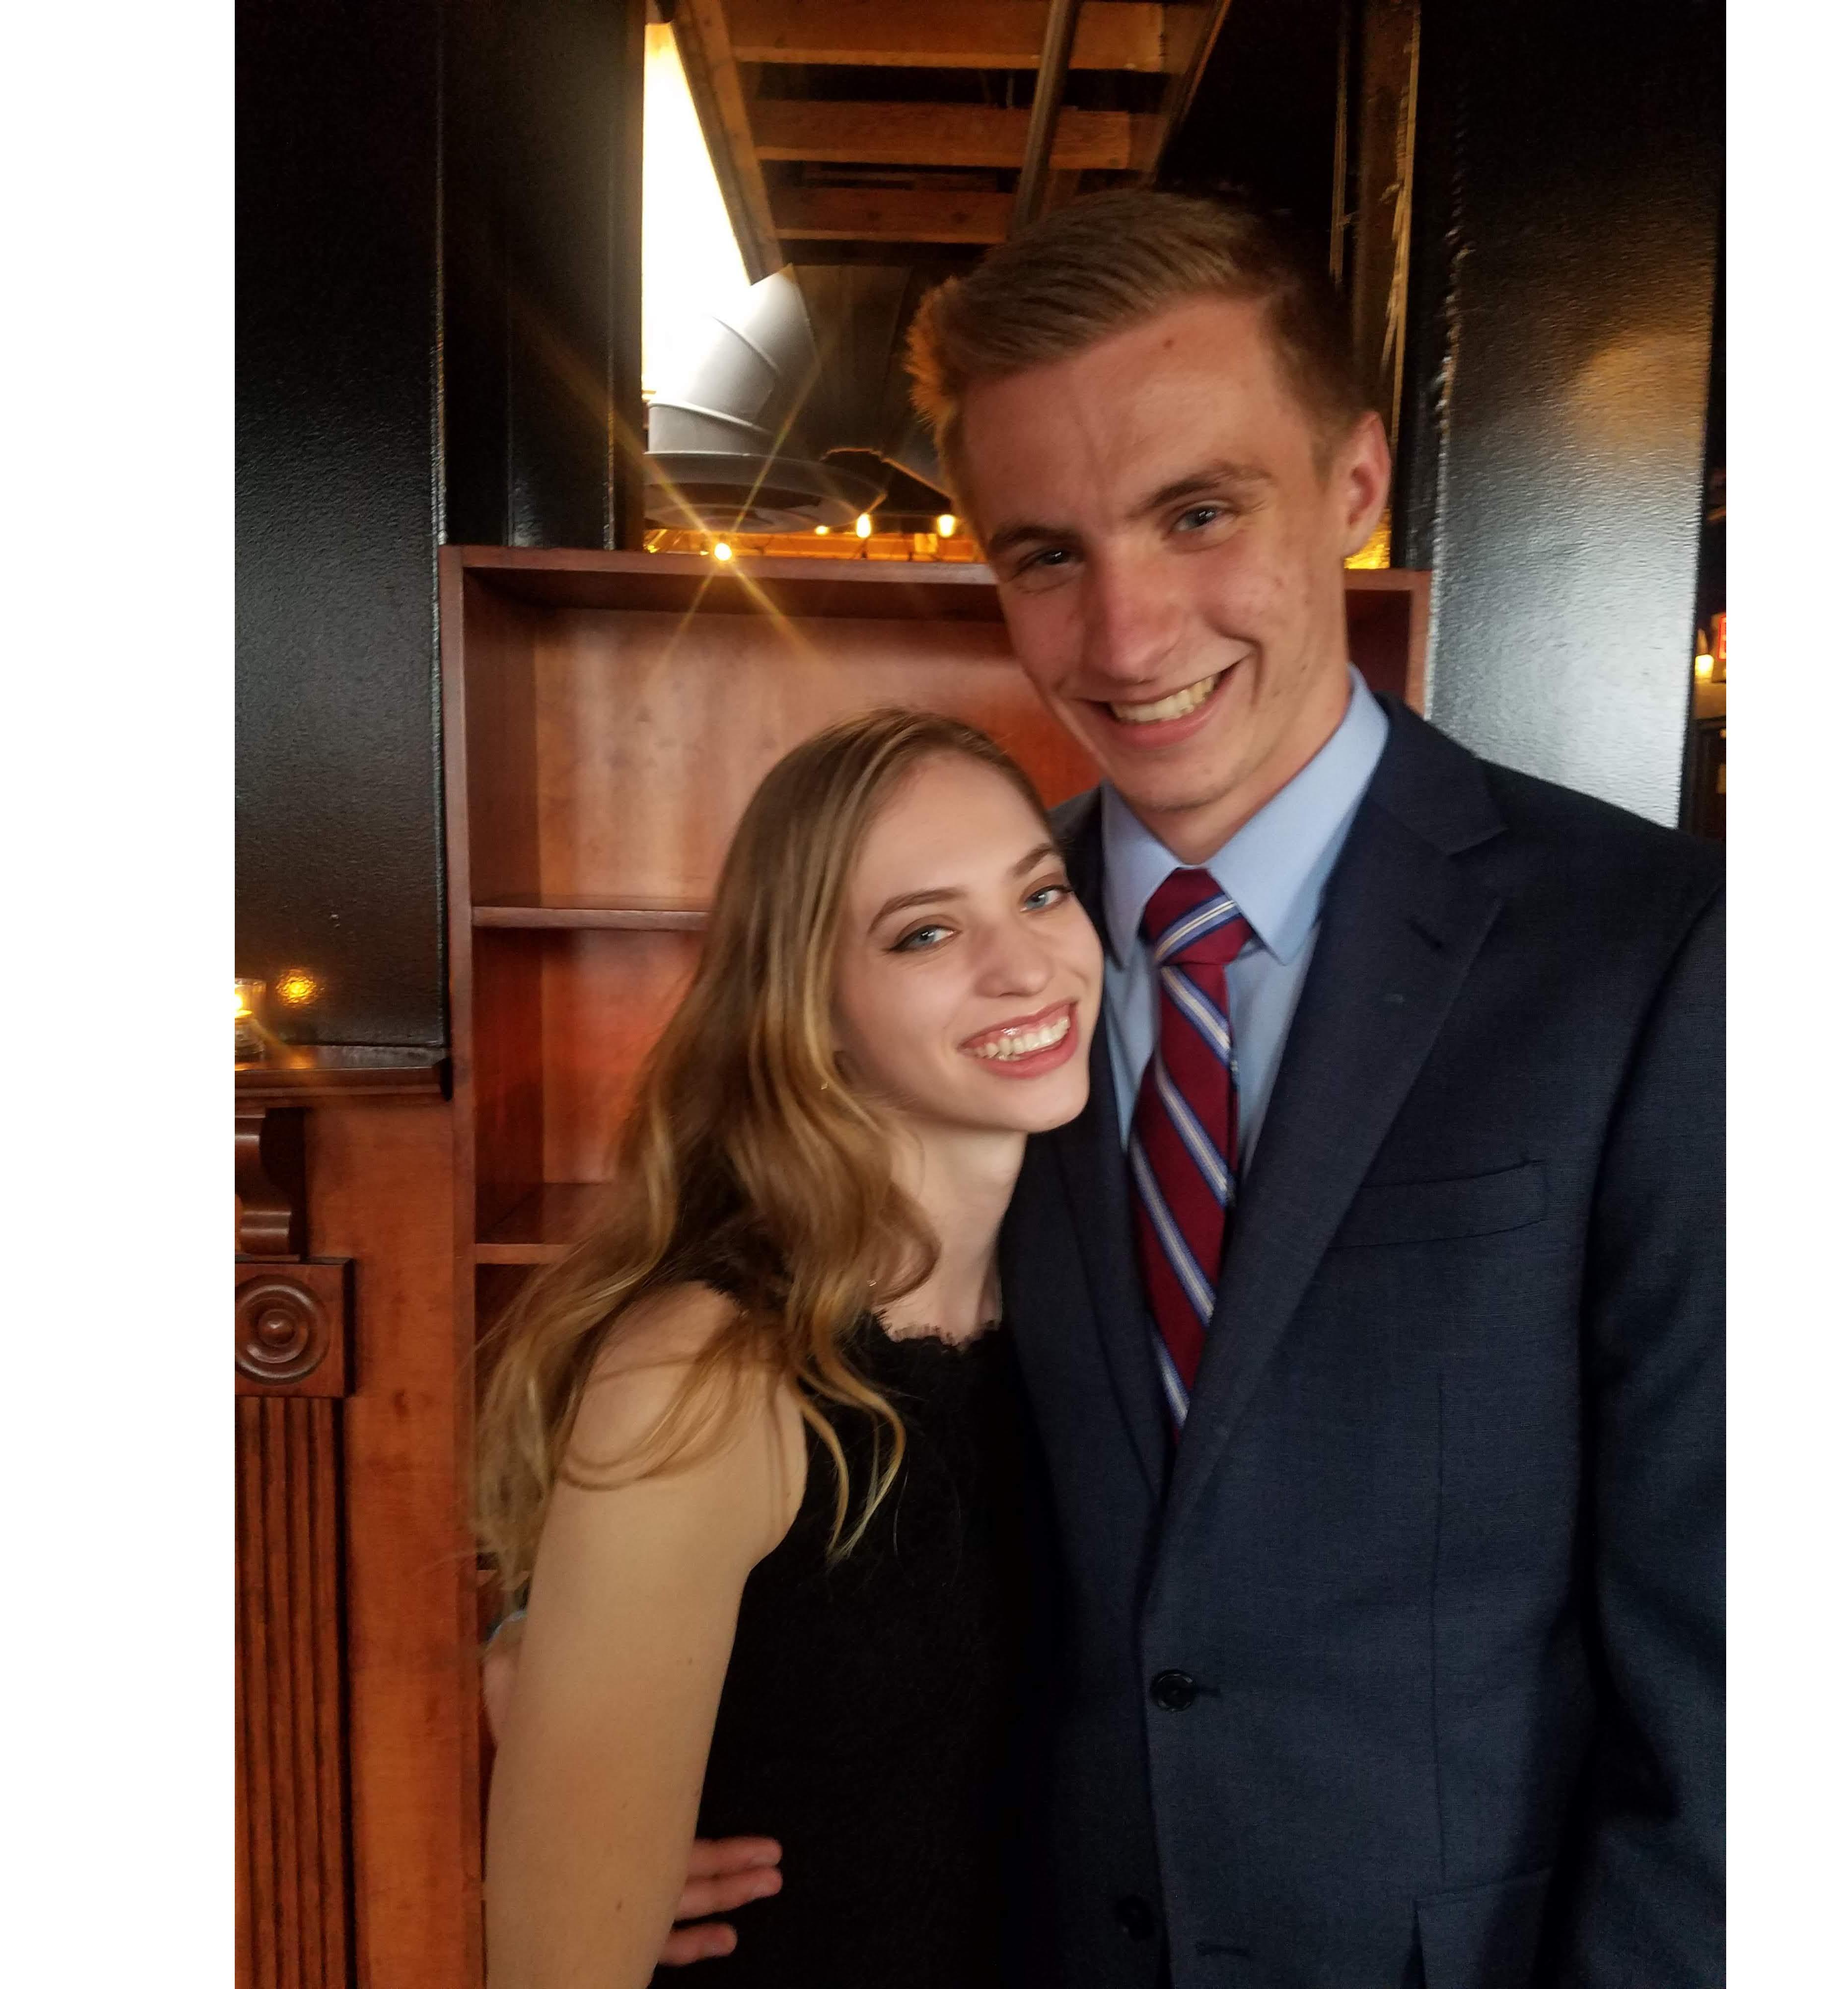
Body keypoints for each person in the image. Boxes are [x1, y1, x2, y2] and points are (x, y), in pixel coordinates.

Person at [895, 190, 1726, 1988]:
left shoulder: (1656, 952)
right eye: (1046, 555)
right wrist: (609, 1684)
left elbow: (1740, 1654)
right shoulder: (939, 961)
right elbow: (820, 1414)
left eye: (1198, 513)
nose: (1127, 638)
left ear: (1353, 484)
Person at [474, 707, 1103, 1988]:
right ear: (811, 1008)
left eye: (1040, 893)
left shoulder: (1091, 1295)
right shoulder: (710, 1375)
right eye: (925, 932)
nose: (1024, 967)